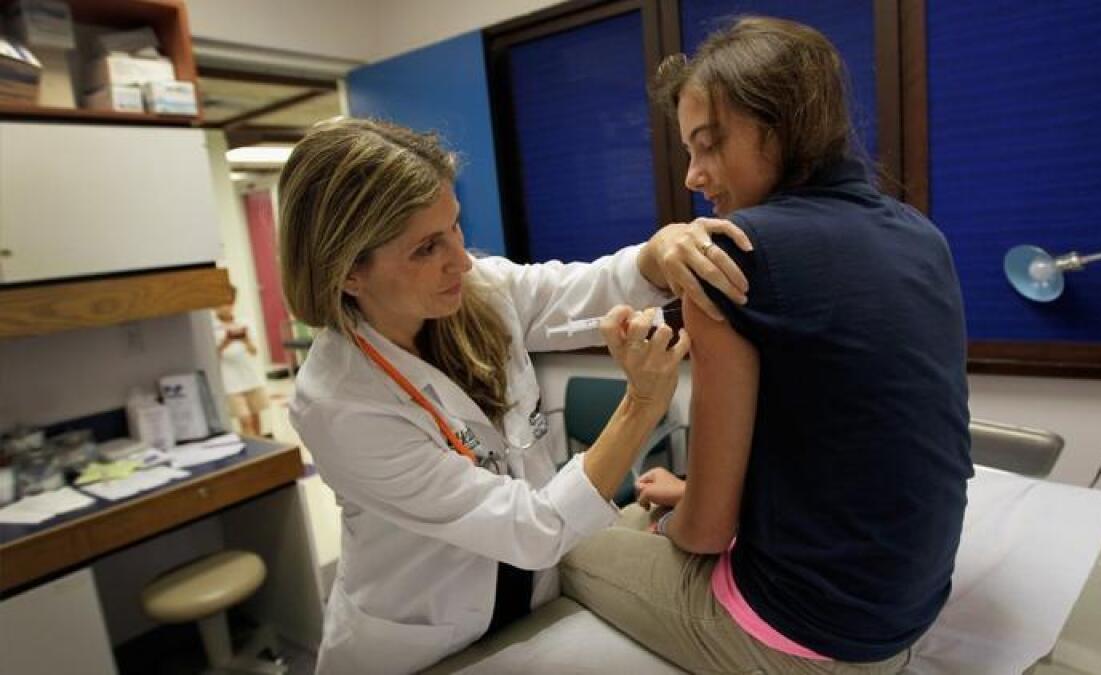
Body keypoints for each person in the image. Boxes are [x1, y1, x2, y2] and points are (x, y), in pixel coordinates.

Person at [560, 17, 973, 674]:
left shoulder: (727, 253)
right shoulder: (922, 238)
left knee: (562, 544)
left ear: (777, 125)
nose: (693, 174)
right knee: (653, 504)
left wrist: (679, 516)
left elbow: (706, 531)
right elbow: (838, 435)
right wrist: (693, 487)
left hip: (804, 635)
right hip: (909, 606)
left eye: (709, 144)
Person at [276, 118, 754, 674]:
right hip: (420, 644)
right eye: (427, 247)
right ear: (348, 274)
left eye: (454, 226)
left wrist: (656, 253)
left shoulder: (474, 291)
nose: (459, 258)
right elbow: (533, 528)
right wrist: (641, 405)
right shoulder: (339, 404)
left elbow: (580, 289)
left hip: (532, 608)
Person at [213, 288, 270, 437]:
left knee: (256, 420)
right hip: (230, 382)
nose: (227, 306)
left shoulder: (244, 322)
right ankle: (255, 453)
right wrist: (225, 342)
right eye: (222, 303)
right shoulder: (211, 327)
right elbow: (212, 356)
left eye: (230, 302)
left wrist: (246, 340)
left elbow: (254, 351)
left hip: (250, 377)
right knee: (246, 420)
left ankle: (262, 452)